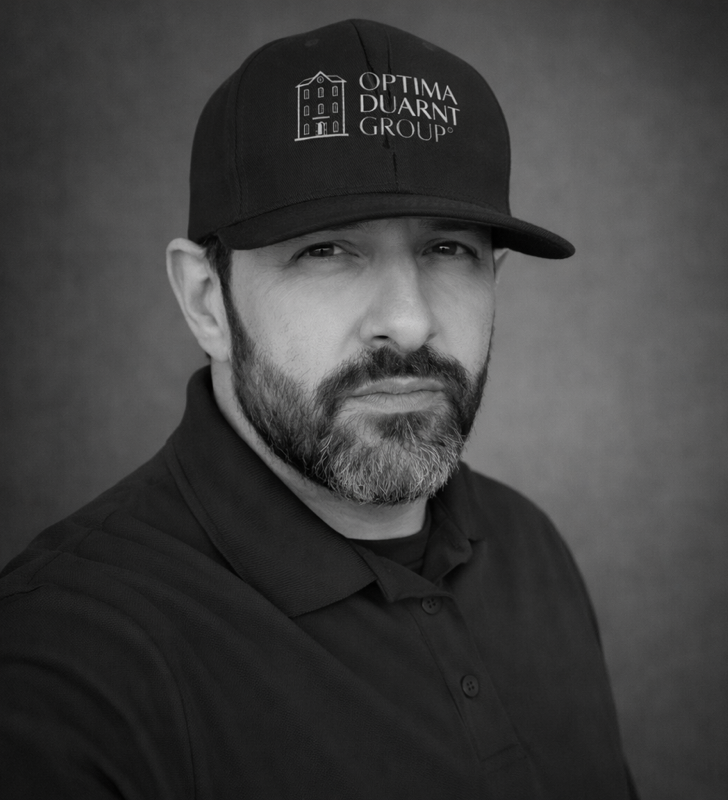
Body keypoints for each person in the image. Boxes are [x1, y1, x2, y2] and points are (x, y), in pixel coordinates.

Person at [0, 19, 638, 800]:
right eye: (327, 249)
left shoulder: (529, 549)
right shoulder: (65, 665)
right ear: (206, 300)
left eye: (449, 250)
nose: (408, 321)